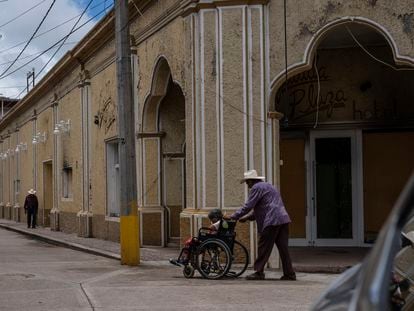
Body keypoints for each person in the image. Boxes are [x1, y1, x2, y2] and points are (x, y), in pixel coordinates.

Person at [225, 169, 296, 281]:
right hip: (282, 218)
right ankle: (289, 274)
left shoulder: (256, 188)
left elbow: (248, 206)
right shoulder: (268, 186)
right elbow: (262, 208)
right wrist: (247, 218)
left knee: (263, 246)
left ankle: (258, 272)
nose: (247, 185)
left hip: (272, 219)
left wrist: (233, 216)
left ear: (252, 181)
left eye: (247, 182)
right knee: (283, 248)